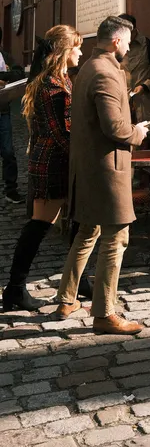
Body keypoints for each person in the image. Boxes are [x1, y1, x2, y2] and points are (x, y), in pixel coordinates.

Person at [54, 16, 147, 335]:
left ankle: (67, 298)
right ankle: (104, 313)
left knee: (87, 232)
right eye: (128, 43)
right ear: (118, 42)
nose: (129, 49)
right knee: (117, 237)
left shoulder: (88, 69)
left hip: (88, 168)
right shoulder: (107, 72)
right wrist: (138, 132)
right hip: (107, 170)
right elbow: (115, 128)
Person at [2, 27, 83, 312]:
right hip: (51, 163)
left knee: (78, 219)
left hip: (55, 160)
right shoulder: (51, 85)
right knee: (39, 226)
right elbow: (59, 133)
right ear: (63, 51)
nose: (81, 53)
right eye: (77, 48)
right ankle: (14, 289)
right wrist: (83, 156)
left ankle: (78, 279)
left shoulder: (60, 80)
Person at [119, 14, 150, 123]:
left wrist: (145, 86)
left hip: (147, 103)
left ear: (133, 30)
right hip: (124, 104)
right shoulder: (116, 47)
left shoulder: (149, 44)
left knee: (147, 136)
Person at [0, 26, 22, 204]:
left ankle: (11, 189)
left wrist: (3, 77)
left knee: (8, 151)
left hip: (3, 111)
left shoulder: (5, 56)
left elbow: (18, 73)